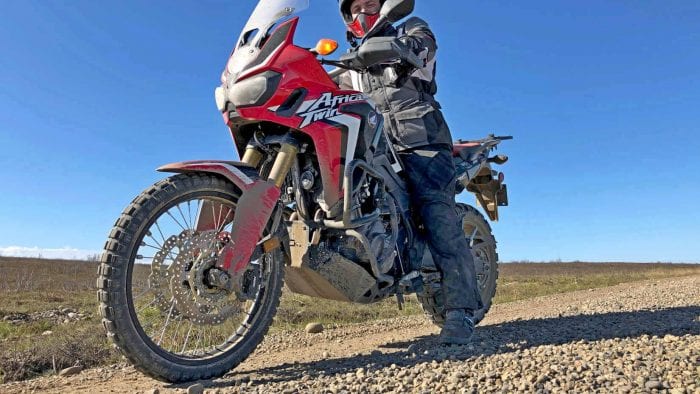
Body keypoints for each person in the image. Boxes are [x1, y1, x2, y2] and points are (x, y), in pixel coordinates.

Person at [336, 0, 483, 345]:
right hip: (373, 147)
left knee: (437, 214)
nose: (364, 8)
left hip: (421, 141)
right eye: (357, 4)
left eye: (372, 1)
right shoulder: (347, 62)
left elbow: (424, 44)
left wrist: (403, 47)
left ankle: (460, 311)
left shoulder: (408, 29)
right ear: (347, 13)